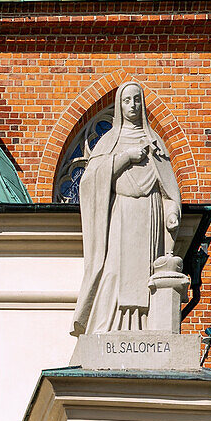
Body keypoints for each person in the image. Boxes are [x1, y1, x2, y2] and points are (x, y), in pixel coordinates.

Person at [72, 82, 181, 336]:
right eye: (127, 101)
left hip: (150, 212)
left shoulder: (155, 143)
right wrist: (126, 157)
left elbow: (168, 189)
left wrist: (172, 212)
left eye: (136, 100)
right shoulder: (110, 141)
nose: (132, 105)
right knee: (114, 271)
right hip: (121, 211)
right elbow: (89, 182)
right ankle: (108, 325)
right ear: (120, 106)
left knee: (146, 273)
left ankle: (145, 327)